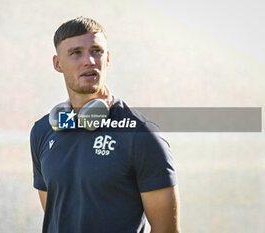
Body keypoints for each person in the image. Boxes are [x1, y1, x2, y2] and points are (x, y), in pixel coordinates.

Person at [30, 17, 180, 233]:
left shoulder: (141, 134)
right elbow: (56, 215)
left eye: (96, 51)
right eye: (76, 53)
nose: (89, 60)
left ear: (107, 57)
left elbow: (167, 230)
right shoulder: (43, 131)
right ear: (57, 64)